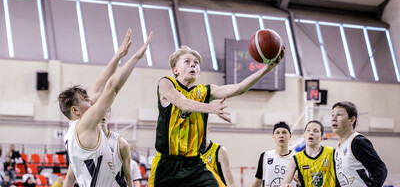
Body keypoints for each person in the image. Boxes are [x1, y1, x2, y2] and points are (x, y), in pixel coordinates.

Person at [149, 44, 285, 187]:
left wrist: (267, 68)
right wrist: (212, 108)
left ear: (199, 72)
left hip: (195, 165)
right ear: (175, 70)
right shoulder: (166, 83)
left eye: (196, 63)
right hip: (166, 165)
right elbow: (182, 103)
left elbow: (238, 89)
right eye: (187, 62)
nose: (193, 65)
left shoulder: (206, 91)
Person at [60, 29, 152, 187]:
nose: (92, 101)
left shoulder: (71, 134)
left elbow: (99, 88)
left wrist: (118, 56)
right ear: (76, 110)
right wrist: (135, 57)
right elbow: (112, 87)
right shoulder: (84, 125)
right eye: (86, 100)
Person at [331, 101, 387, 187]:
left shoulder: (357, 142)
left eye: (339, 114)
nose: (333, 118)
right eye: (332, 115)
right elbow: (341, 181)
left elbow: (380, 169)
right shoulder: (338, 150)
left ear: (352, 120)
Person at [282, 120, 337, 187]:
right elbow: (284, 184)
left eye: (315, 131)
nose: (311, 133)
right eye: (308, 130)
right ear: (304, 136)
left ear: (321, 138)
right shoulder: (296, 159)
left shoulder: (332, 153)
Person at [252, 121, 296, 187]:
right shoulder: (265, 156)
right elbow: (258, 181)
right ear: (273, 136)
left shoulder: (297, 157)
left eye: (284, 132)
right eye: (277, 133)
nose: (281, 136)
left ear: (290, 135)